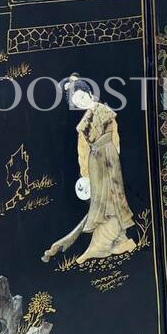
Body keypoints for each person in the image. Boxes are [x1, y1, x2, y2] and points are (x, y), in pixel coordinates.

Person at [43, 75, 135, 264]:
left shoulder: (104, 111)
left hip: (109, 157)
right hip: (95, 163)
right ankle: (117, 242)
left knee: (112, 198)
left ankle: (104, 245)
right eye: (77, 102)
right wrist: (85, 173)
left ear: (89, 93)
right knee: (101, 202)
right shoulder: (84, 123)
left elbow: (115, 133)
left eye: (82, 97)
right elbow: (82, 150)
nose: (81, 102)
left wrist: (115, 152)